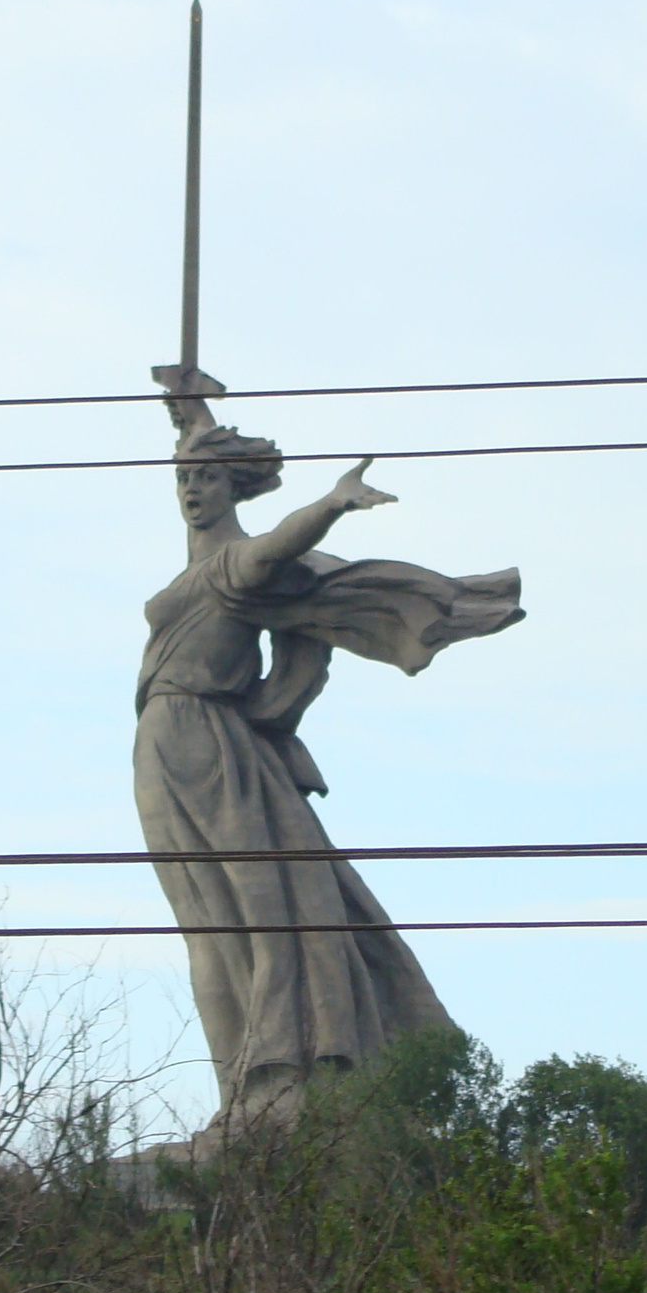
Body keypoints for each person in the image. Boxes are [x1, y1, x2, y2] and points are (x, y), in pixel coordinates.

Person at [134, 370, 522, 1139]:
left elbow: (281, 543)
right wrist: (192, 415)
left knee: (263, 911)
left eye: (206, 478)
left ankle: (282, 1077)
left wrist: (334, 503)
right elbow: (202, 503)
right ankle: (239, 1093)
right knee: (207, 927)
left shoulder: (243, 566)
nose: (191, 490)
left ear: (235, 487)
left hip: (212, 745)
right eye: (184, 479)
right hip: (161, 747)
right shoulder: (202, 557)